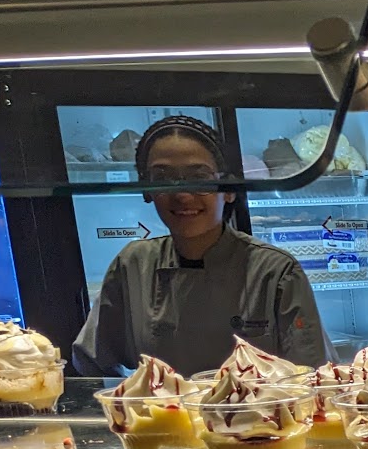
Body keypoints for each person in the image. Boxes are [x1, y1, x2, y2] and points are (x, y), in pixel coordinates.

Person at [72, 115, 332, 376]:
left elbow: (314, 377)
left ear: (228, 190)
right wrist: (130, 396)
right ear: (147, 191)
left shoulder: (275, 272)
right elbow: (92, 363)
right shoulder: (132, 265)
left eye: (199, 177)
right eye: (163, 178)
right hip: (164, 405)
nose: (182, 194)